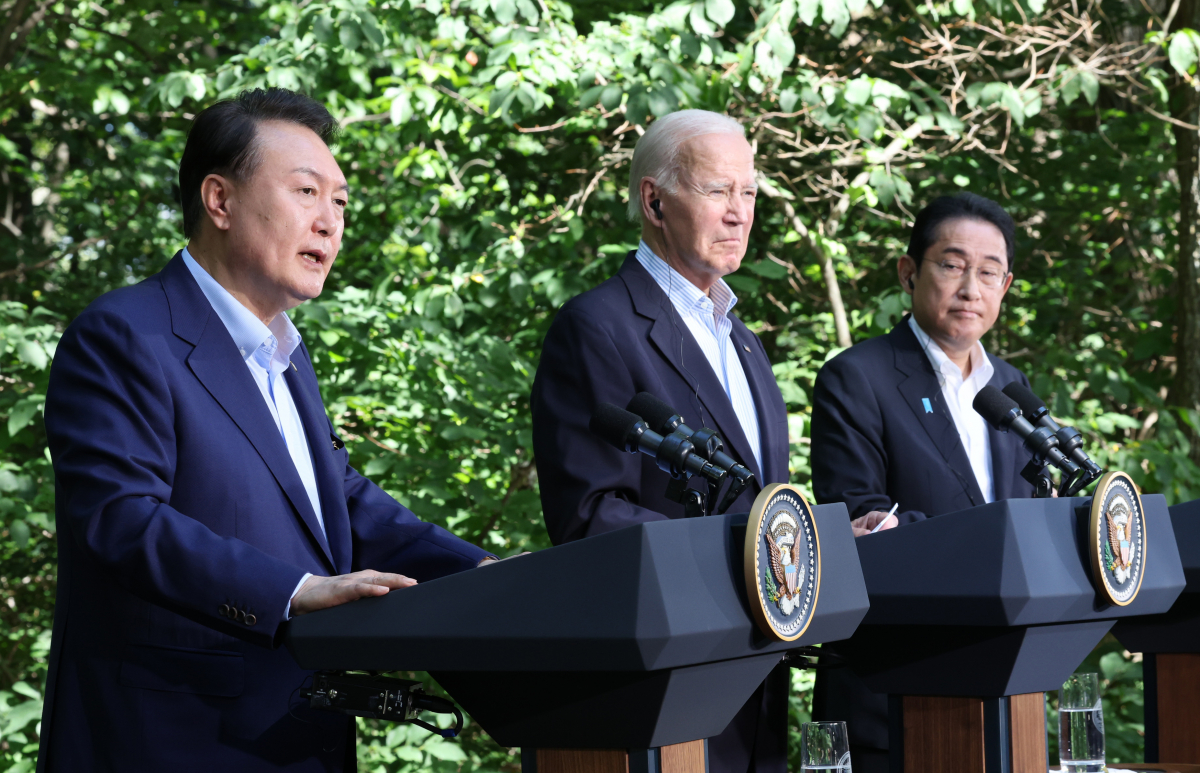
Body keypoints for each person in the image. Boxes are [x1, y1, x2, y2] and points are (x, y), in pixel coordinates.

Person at [37, 88, 496, 772]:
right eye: (307, 192)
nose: (330, 222)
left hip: (300, 732)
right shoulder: (123, 335)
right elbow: (122, 520)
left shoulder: (286, 353)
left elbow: (341, 500)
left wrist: (485, 573)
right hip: (171, 739)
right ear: (219, 201)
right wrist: (292, 592)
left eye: (340, 202)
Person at [533, 109, 876, 773]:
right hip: (660, 692)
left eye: (749, 193)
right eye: (718, 191)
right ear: (654, 200)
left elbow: (756, 505)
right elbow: (590, 518)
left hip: (758, 692)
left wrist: (820, 545)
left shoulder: (743, 341)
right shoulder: (596, 328)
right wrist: (758, 555)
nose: (740, 213)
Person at [808, 192, 1039, 773]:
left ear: (1005, 287)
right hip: (894, 691)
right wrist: (999, 553)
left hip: (1005, 694)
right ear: (909, 272)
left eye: (989, 272)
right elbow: (864, 524)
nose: (971, 288)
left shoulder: (1011, 388)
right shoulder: (855, 377)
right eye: (952, 265)